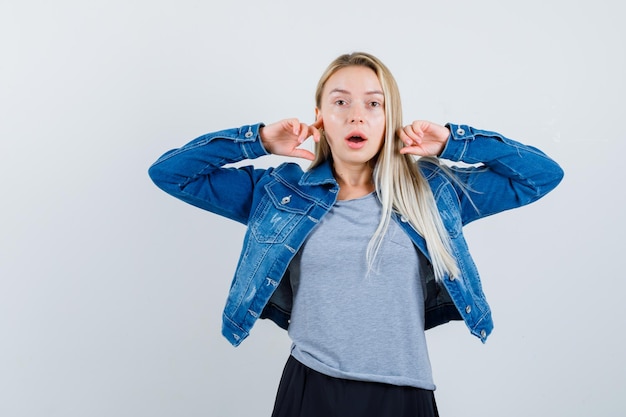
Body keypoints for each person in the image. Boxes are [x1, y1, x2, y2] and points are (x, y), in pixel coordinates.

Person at [148, 52, 563, 417]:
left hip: (407, 392)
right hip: (312, 387)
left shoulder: (432, 192)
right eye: (340, 102)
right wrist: (256, 139)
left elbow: (540, 176)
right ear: (320, 117)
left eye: (373, 104)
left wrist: (454, 143)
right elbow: (171, 173)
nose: (356, 115)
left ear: (389, 118)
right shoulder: (277, 194)